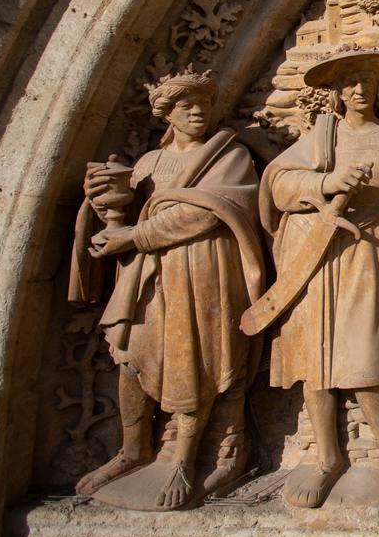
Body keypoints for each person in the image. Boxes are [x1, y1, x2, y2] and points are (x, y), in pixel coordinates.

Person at [250, 44, 379, 509]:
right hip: (316, 256)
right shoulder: (322, 137)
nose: (360, 89)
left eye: (368, 81)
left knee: (367, 357)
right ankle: (327, 458)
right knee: (315, 358)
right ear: (336, 93)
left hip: (369, 253)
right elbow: (279, 183)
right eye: (350, 83)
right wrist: (324, 183)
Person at [70, 67, 264, 510]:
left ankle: (183, 457)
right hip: (149, 275)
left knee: (193, 358)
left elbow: (208, 213)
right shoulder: (148, 165)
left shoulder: (227, 156)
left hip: (204, 269)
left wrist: (134, 235)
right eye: (185, 105)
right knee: (130, 354)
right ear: (166, 114)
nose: (197, 111)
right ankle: (133, 449)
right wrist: (100, 201)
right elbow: (122, 215)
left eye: (203, 104)